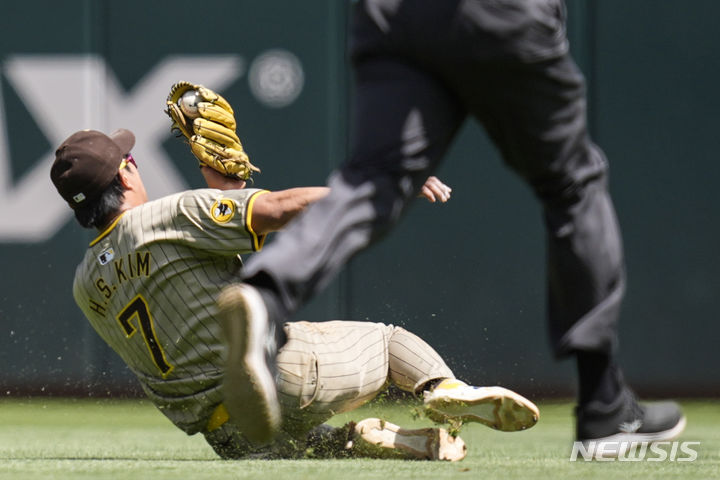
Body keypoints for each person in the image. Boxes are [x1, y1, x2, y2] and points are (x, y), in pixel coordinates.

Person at [225, 0, 685, 457]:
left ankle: (266, 293)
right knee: (574, 185)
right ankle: (604, 405)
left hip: (391, 15)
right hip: (500, 12)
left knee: (371, 183)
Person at [49, 127, 539, 461]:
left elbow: (193, 290)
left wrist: (229, 188)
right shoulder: (168, 215)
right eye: (129, 160)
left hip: (225, 432)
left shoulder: (84, 286)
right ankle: (446, 391)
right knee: (389, 344)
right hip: (277, 374)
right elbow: (281, 209)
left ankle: (375, 440)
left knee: (308, 445)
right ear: (125, 174)